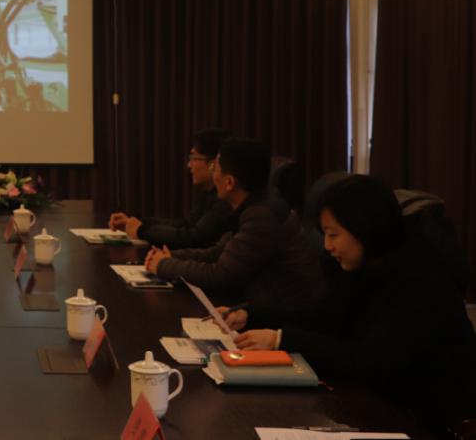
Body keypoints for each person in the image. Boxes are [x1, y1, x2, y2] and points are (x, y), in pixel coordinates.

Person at [223, 175, 476, 433]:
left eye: (333, 235)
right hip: (379, 402)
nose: (327, 246)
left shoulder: (419, 282)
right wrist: (251, 315)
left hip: (428, 420)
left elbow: (369, 361)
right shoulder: (363, 267)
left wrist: (281, 339)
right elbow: (323, 317)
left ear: (366, 229)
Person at [145, 137, 322, 311]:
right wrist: (171, 256)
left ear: (229, 182)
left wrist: (163, 265)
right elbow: (219, 252)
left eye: (215, 168)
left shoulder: (261, 216)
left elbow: (220, 274)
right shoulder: (255, 206)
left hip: (283, 317)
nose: (213, 175)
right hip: (261, 306)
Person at [108, 128, 235, 248]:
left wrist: (142, 230)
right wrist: (136, 222)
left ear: (213, 164)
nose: (189, 165)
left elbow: (194, 238)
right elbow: (185, 225)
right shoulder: (209, 194)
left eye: (193, 158)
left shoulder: (225, 199)